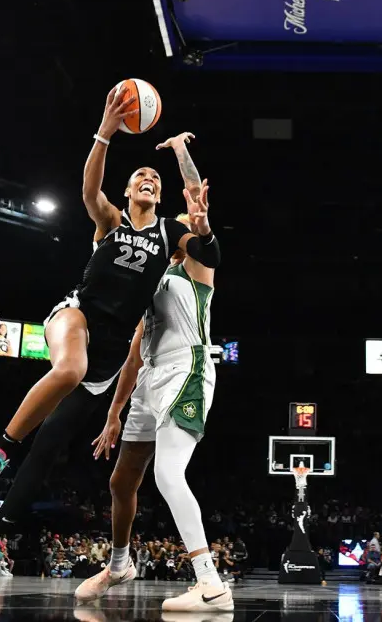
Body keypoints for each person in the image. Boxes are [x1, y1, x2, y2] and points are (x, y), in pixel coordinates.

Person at [0, 90, 220, 587]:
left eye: (154, 178)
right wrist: (105, 132)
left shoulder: (169, 240)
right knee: (68, 369)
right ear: (126, 191)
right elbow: (88, 190)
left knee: (53, 442)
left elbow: (203, 232)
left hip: (110, 360)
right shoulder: (111, 220)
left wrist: (190, 186)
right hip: (75, 317)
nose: (147, 178)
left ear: (162, 197)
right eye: (140, 175)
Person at [76, 132, 231, 611]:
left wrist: (183, 156)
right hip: (149, 379)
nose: (182, 226)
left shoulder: (196, 270)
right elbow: (136, 351)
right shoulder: (148, 273)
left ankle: (211, 583)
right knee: (122, 482)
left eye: (186, 223)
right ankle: (120, 565)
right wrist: (115, 411)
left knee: (168, 474)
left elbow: (209, 247)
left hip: (187, 366)